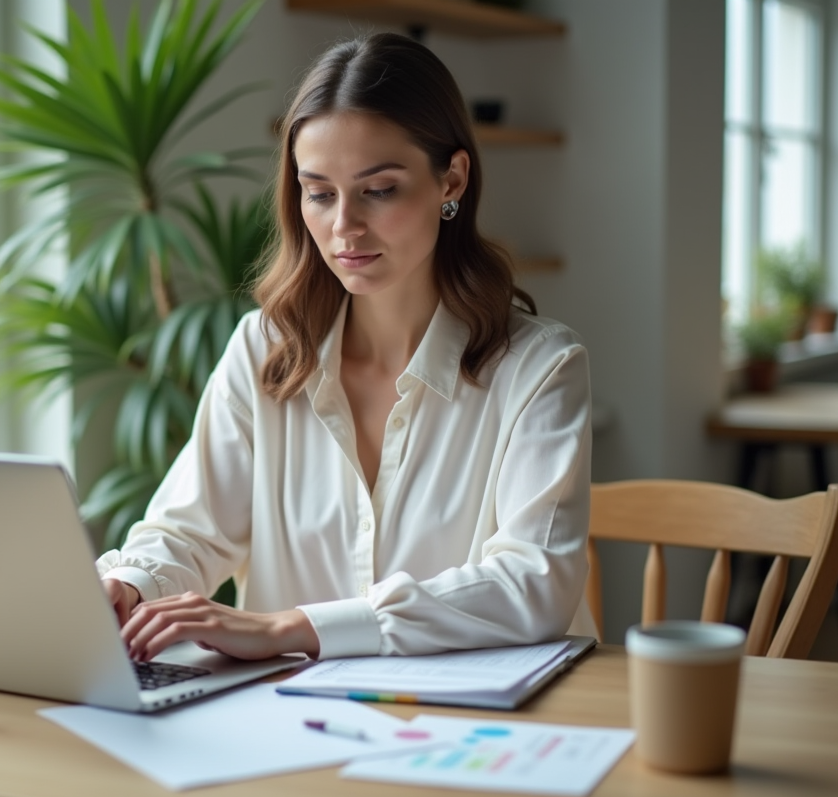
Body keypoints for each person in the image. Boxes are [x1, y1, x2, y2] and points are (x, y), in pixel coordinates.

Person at [98, 32, 595, 664]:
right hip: (289, 723)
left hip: (481, 734)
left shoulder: (540, 368)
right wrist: (132, 583)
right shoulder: (264, 350)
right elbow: (188, 530)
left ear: (452, 179)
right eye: (320, 192)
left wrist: (293, 629)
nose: (344, 227)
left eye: (379, 189)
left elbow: (535, 583)